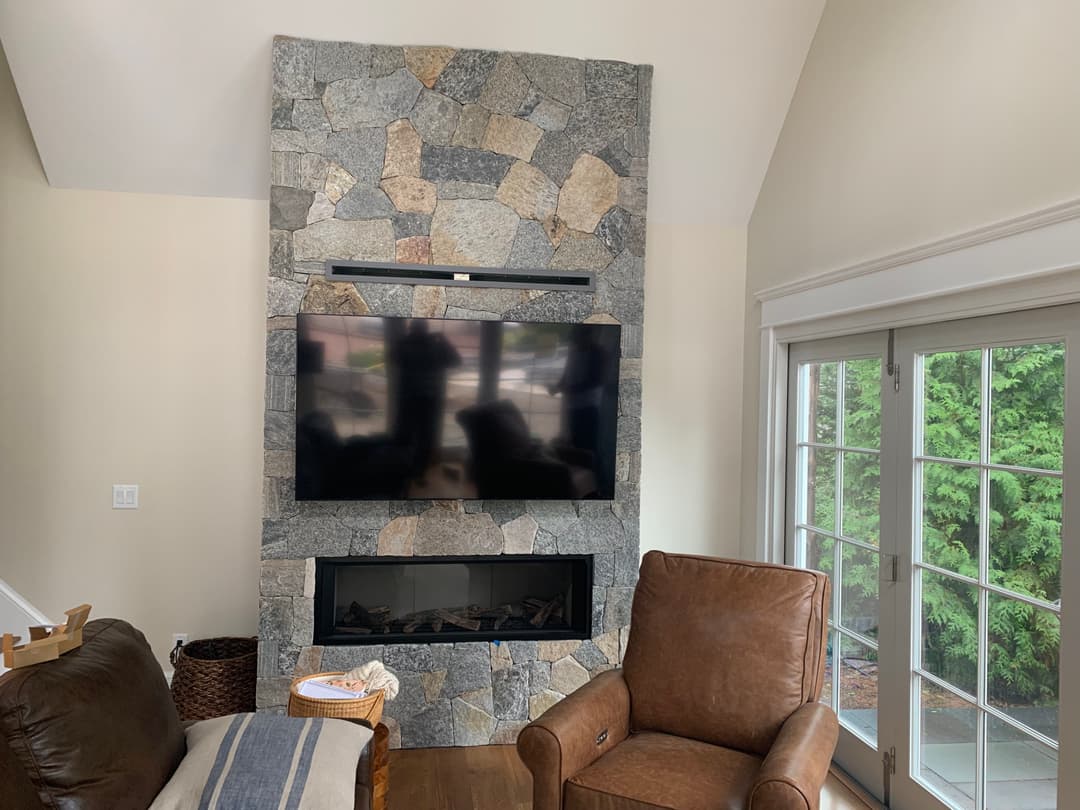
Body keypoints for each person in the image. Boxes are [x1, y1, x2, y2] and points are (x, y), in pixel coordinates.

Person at [390, 320, 461, 484]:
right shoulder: (430, 346)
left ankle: (410, 471)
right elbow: (455, 361)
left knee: (413, 436)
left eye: (414, 330)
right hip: (425, 399)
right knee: (419, 437)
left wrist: (442, 341)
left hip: (414, 399)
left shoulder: (407, 345)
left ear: (412, 330)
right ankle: (414, 471)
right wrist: (443, 341)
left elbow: (394, 359)